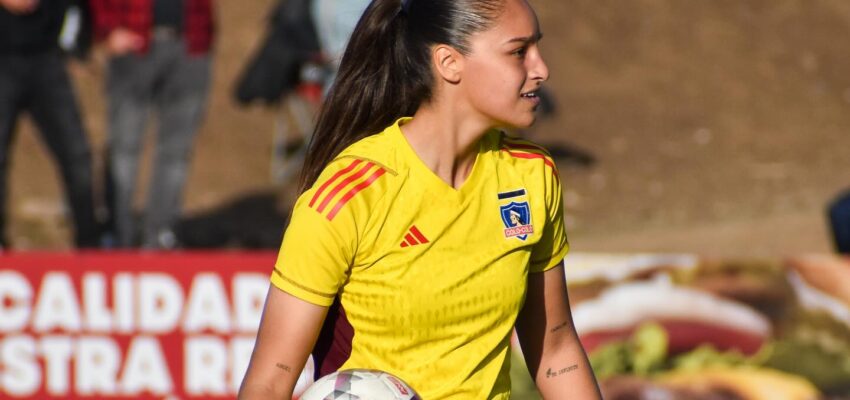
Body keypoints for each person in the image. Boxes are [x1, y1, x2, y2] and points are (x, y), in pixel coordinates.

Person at [239, 0, 602, 398]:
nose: (541, 69)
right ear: (449, 62)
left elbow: (555, 350)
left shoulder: (532, 175)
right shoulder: (350, 195)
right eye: (519, 52)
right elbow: (269, 381)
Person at [90, 0, 214, 248]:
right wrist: (108, 29)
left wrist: (204, 37)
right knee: (124, 149)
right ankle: (117, 234)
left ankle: (161, 233)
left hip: (190, 43)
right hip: (136, 42)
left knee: (176, 152)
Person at [0, 0, 101, 248]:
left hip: (46, 57)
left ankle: (89, 245)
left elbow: (76, 7)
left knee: (77, 155)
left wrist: (74, 47)